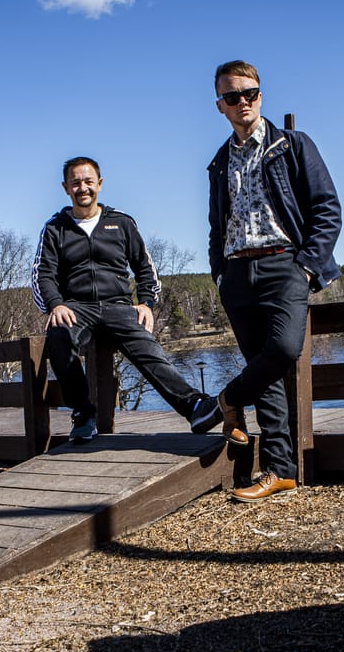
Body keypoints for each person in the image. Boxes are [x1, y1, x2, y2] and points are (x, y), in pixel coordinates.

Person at [207, 60, 342, 502]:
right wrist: (220, 272)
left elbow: (327, 208)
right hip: (237, 273)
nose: (243, 102)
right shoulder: (219, 162)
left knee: (283, 349)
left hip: (285, 264)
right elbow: (216, 226)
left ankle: (228, 399)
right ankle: (279, 470)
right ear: (220, 105)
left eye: (250, 93)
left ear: (261, 96)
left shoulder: (292, 146)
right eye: (233, 96)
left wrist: (305, 266)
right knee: (265, 374)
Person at [32, 156, 221, 442]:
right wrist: (55, 304)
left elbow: (145, 268)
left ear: (100, 184)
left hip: (118, 305)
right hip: (75, 307)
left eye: (88, 182)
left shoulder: (121, 223)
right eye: (75, 183)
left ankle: (195, 406)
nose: (83, 188)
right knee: (58, 337)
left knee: (147, 348)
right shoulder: (54, 228)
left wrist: (147, 303)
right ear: (65, 188)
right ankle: (83, 415)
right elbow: (42, 275)